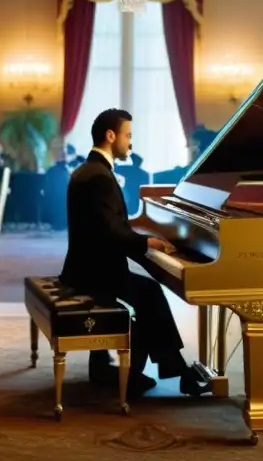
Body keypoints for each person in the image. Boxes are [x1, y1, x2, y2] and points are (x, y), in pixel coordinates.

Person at [60, 108, 211, 399]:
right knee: (151, 294)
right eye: (128, 135)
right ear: (110, 135)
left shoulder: (87, 170)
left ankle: (127, 369)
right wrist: (146, 244)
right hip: (94, 274)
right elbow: (111, 232)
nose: (131, 142)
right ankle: (172, 373)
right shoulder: (100, 177)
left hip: (85, 266)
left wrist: (140, 240)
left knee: (147, 296)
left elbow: (107, 226)